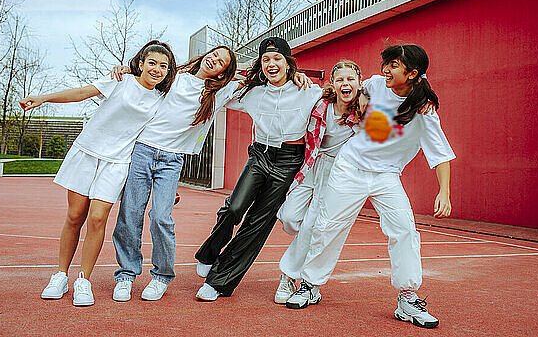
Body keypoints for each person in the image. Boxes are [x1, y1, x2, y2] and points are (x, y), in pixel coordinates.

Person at [285, 44, 454, 330]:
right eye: (386, 63)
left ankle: (408, 298)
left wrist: (445, 192)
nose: (385, 70)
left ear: (412, 74)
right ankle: (310, 284)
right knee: (328, 225)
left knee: (404, 230)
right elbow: (350, 95)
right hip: (350, 167)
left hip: (386, 176)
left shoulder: (424, 112)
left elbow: (441, 155)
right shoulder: (375, 85)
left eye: (394, 66)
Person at [20, 41, 176, 306]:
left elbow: (163, 138)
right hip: (87, 153)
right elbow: (81, 93)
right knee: (74, 215)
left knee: (98, 218)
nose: (157, 69)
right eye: (152, 63)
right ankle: (60, 275)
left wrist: (170, 183)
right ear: (140, 63)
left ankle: (84, 280)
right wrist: (43, 98)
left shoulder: (162, 99)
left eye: (164, 66)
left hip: (117, 162)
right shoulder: (120, 81)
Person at [194, 36, 323, 301]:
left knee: (258, 223)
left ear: (289, 64)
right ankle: (209, 252)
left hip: (289, 160)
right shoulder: (252, 93)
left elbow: (345, 94)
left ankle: (219, 281)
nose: (271, 64)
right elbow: (218, 90)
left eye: (277, 59)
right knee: (234, 208)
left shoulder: (309, 91)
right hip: (260, 155)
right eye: (266, 60)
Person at [111, 46, 239, 302]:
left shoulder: (219, 92)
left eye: (222, 62)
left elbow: (257, 81)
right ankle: (126, 274)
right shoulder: (175, 76)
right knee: (130, 213)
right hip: (143, 151)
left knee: (161, 217)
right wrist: (128, 70)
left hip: (171, 160)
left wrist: (295, 76)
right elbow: (146, 78)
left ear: (223, 73)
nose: (215, 59)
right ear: (205, 54)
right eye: (214, 53)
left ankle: (161, 276)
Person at [274, 60, 364, 304]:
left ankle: (289, 276)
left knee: (314, 223)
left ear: (359, 82)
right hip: (312, 164)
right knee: (290, 217)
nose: (346, 84)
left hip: (338, 172)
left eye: (351, 79)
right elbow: (294, 89)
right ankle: (302, 250)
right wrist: (297, 76)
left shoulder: (364, 111)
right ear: (332, 84)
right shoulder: (320, 104)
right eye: (340, 79)